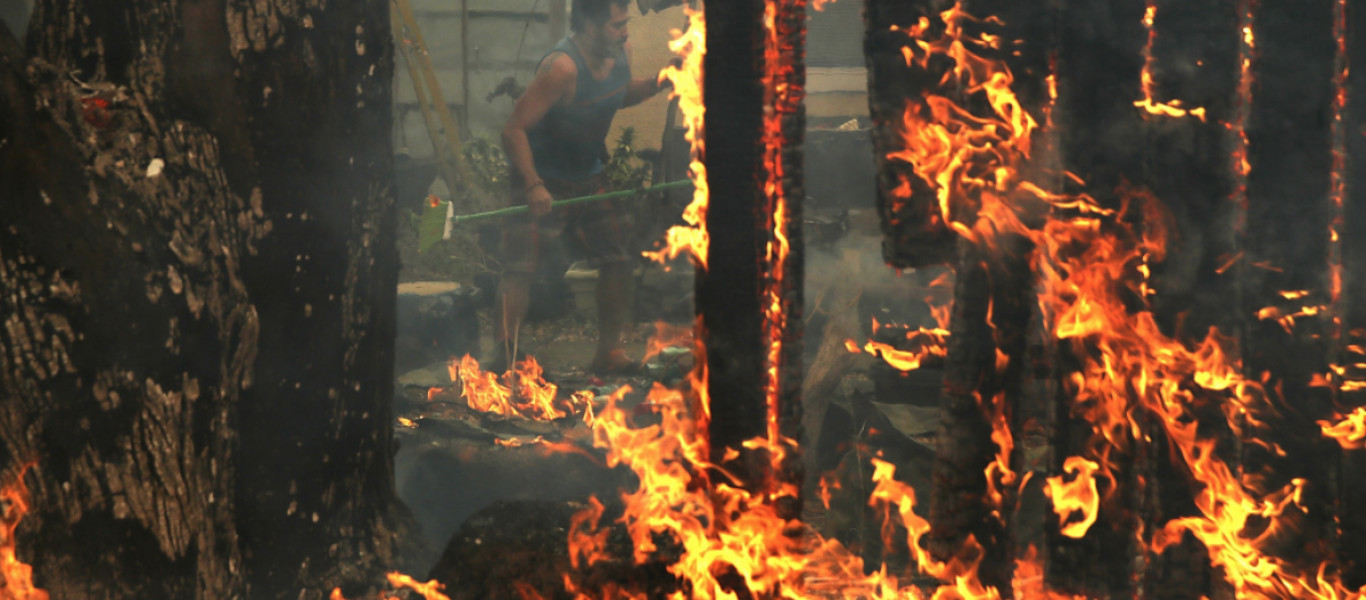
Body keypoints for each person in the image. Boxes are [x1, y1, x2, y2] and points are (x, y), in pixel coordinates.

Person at [492, 0, 668, 375]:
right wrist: (534, 185)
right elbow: (513, 130)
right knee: (520, 268)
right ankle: (505, 359)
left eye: (626, 24)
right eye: (617, 26)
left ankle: (609, 354)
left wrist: (658, 83)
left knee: (617, 260)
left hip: (589, 176)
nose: (625, 33)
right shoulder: (562, 68)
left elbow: (619, 94)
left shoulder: (623, 51)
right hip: (542, 180)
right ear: (590, 27)